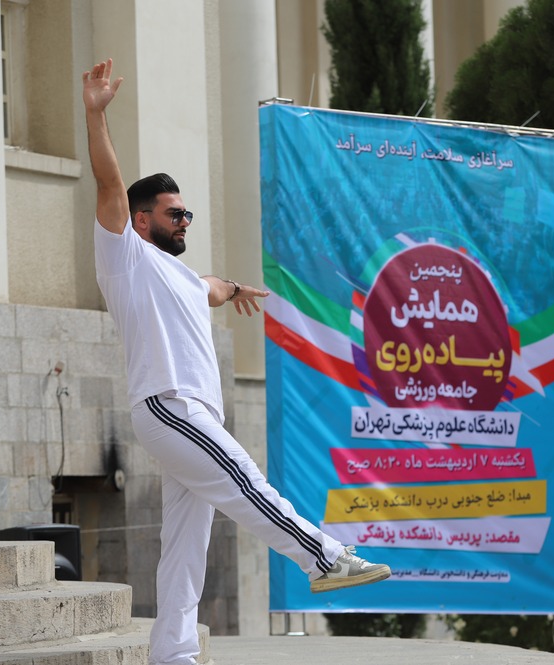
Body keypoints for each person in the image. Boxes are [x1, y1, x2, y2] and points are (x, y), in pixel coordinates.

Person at [82, 58, 390, 665]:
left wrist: (235, 286)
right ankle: (323, 558)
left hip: (187, 413)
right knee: (246, 481)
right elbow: (109, 185)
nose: (184, 222)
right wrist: (96, 116)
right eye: (174, 214)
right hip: (171, 406)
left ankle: (172, 653)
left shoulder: (182, 278)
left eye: (187, 215)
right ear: (141, 221)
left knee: (186, 541)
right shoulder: (125, 258)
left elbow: (212, 287)